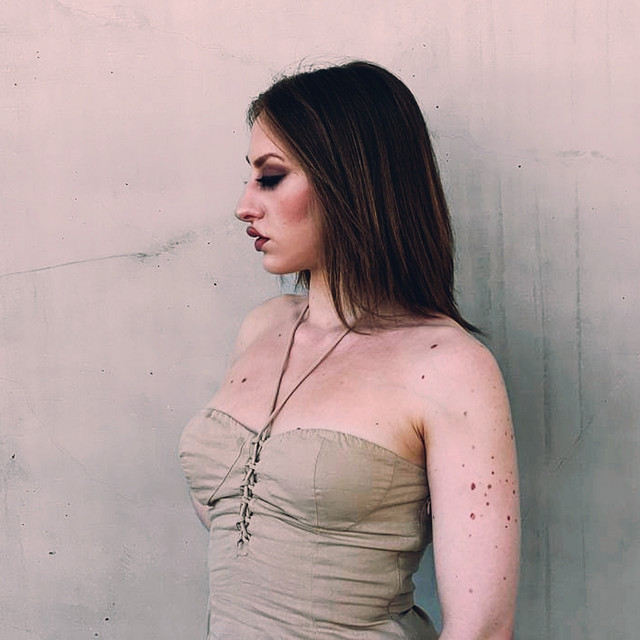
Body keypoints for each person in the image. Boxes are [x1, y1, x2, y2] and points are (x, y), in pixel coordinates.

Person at [180, 60, 520, 640]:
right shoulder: (262, 328)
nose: (244, 205)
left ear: (349, 181)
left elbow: (482, 628)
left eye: (270, 177)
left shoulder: (447, 365)